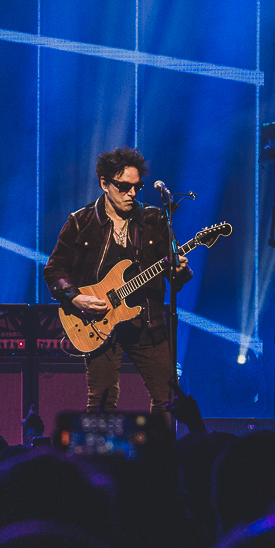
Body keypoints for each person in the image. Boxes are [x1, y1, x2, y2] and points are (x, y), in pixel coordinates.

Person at [43, 147, 191, 415]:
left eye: (137, 186)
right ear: (104, 183)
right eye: (123, 187)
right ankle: (100, 456)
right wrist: (76, 297)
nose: (132, 193)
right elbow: (54, 270)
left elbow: (174, 276)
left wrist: (180, 270)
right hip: (100, 324)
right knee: (101, 402)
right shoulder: (80, 222)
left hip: (148, 322)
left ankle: (158, 455)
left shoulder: (155, 219)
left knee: (168, 399)